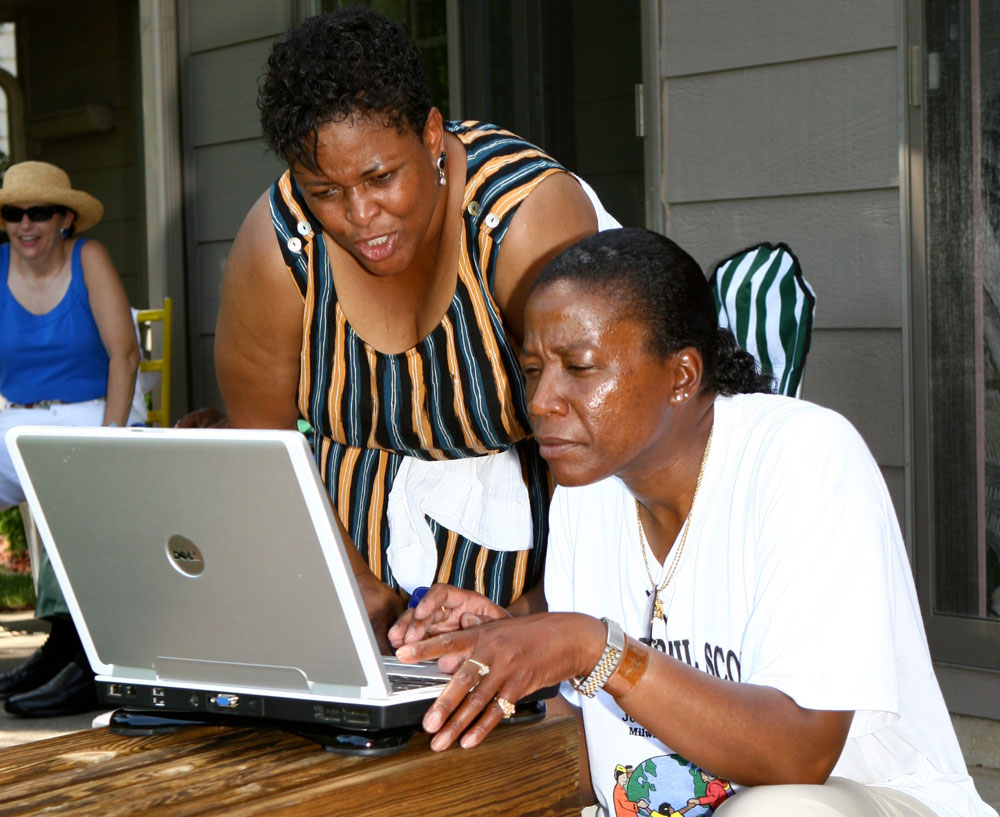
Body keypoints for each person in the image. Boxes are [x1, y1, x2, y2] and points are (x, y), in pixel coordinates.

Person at [392, 229, 997, 817]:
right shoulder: (587, 484)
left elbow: (801, 754)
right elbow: (593, 734)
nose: (542, 400)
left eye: (578, 367)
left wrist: (590, 646)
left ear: (681, 375)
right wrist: (507, 641)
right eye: (532, 369)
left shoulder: (803, 456)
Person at [214, 7, 617, 643]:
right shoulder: (280, 245)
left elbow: (609, 447)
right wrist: (360, 596)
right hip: (336, 569)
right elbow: (267, 452)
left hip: (536, 583)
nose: (360, 215)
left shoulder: (520, 222)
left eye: (381, 177)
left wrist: (531, 620)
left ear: (430, 134)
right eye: (325, 190)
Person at [0, 161, 140, 717]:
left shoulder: (91, 258)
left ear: (64, 219)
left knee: (71, 486)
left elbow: (124, 355)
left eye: (39, 213)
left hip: (95, 415)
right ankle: (61, 645)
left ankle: (79, 658)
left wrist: (111, 435)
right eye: (14, 213)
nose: (26, 225)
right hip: (16, 420)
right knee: (49, 469)